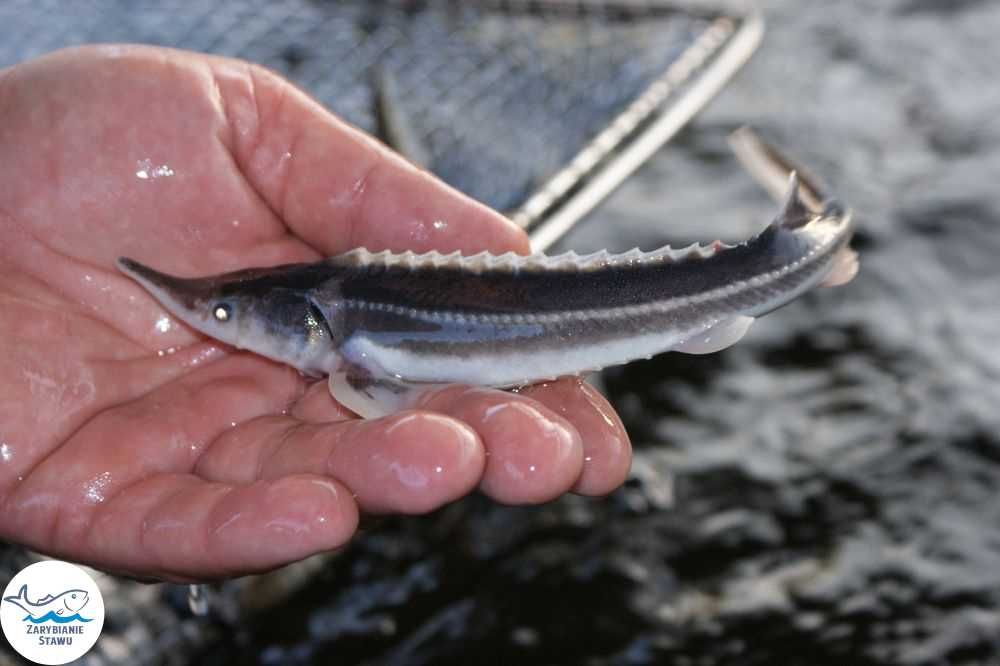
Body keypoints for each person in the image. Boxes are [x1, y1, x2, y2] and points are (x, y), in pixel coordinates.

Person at [0, 46, 631, 582]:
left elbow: (374, 394)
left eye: (223, 314)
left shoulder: (348, 363)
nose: (211, 319)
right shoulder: (343, 352)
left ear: (309, 323)